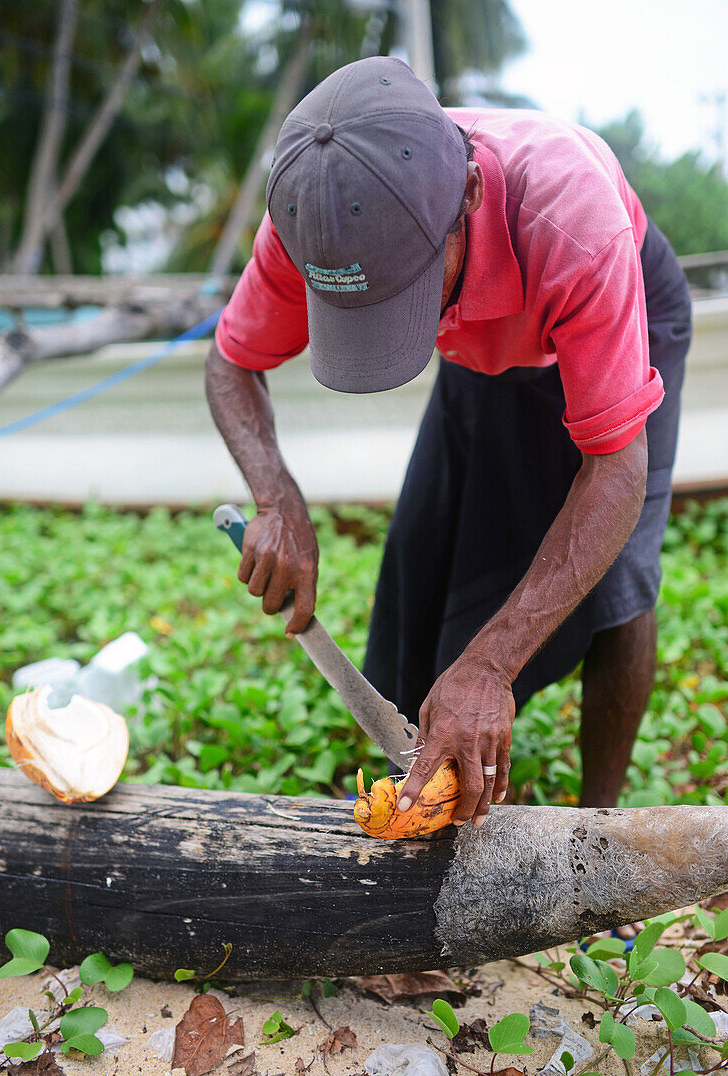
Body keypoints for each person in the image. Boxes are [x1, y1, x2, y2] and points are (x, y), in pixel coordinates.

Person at [205, 56, 691, 824]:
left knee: (621, 583)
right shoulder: (318, 212)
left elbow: (615, 469)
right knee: (425, 549)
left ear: (469, 195)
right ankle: (412, 777)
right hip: (484, 346)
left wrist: (493, 664)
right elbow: (232, 361)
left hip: (615, 315)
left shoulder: (571, 219)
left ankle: (601, 825)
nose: (410, 324)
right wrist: (275, 493)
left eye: (408, 295)